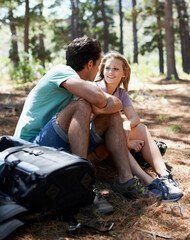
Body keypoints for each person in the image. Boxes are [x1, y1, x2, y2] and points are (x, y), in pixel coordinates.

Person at [14, 37, 158, 207]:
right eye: (98, 65)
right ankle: (82, 181)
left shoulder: (80, 84)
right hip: (31, 148)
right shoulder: (61, 71)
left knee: (112, 115)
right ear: (90, 64)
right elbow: (97, 97)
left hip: (56, 144)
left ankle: (125, 180)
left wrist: (99, 109)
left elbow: (117, 104)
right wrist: (95, 104)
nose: (99, 70)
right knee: (82, 105)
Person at [94, 51, 183, 202]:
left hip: (111, 141)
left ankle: (165, 175)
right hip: (95, 144)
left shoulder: (121, 93)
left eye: (116, 69)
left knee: (141, 128)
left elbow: (135, 117)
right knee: (123, 137)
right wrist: (127, 143)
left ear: (124, 73)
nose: (110, 72)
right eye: (107, 68)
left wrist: (128, 123)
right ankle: (149, 182)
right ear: (102, 70)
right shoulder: (96, 88)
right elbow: (98, 127)